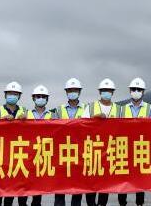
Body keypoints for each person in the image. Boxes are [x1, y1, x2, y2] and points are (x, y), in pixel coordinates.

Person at [0, 82, 27, 206]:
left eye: (15, 94)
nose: (12, 96)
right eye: (10, 93)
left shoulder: (24, 111)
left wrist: (25, 120)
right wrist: (2, 121)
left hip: (17, 154)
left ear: (19, 96)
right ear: (5, 95)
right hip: (1, 153)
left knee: (12, 187)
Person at [119, 78, 151, 206]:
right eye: (134, 89)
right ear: (130, 91)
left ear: (143, 92)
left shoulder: (150, 109)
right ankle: (122, 203)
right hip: (125, 148)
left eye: (139, 89)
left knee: (140, 180)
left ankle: (140, 203)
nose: (136, 91)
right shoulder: (122, 109)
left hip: (141, 148)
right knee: (123, 177)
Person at [85, 79, 119, 206]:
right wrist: (94, 119)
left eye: (109, 90)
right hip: (93, 150)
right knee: (91, 181)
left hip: (110, 150)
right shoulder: (90, 107)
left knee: (105, 183)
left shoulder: (119, 109)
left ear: (112, 92)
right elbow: (81, 126)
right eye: (104, 90)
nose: (106, 92)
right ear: (100, 92)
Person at [54, 78, 86, 206]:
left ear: (79, 92)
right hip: (62, 154)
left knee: (77, 190)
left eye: (75, 90)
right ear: (66, 92)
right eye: (70, 90)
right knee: (59, 190)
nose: (72, 92)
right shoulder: (59, 110)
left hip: (80, 154)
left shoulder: (86, 109)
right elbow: (53, 131)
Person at [28, 85, 54, 206]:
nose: (41, 99)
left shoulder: (53, 116)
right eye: (38, 96)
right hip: (29, 155)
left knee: (39, 187)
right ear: (33, 98)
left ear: (47, 99)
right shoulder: (26, 114)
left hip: (46, 154)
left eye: (43, 96)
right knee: (26, 186)